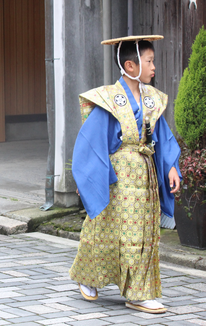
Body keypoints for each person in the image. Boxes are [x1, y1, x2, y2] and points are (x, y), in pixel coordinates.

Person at [69, 35, 181, 314]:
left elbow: (163, 137)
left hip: (145, 174)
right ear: (130, 66)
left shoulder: (152, 99)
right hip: (116, 177)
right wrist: (89, 178)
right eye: (149, 61)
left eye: (153, 60)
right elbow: (91, 142)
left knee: (142, 234)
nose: (154, 66)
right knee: (104, 230)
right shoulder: (108, 99)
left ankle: (139, 292)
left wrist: (170, 167)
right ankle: (88, 275)